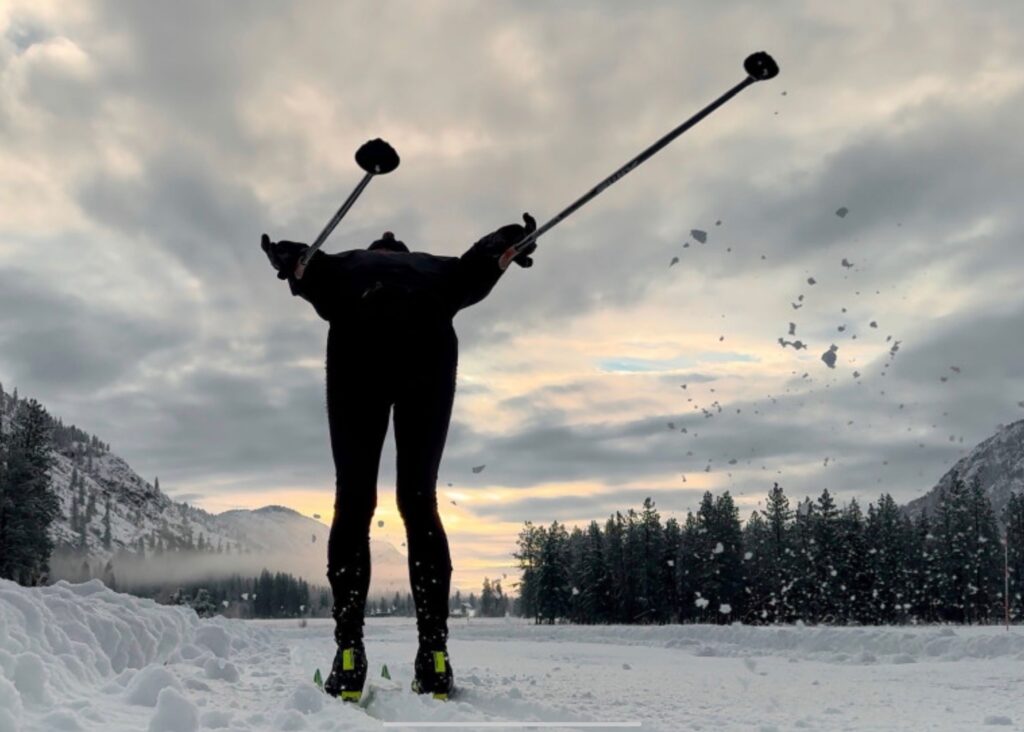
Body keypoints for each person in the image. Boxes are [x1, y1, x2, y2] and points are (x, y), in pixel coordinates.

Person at [261, 214, 537, 701]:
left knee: (353, 503)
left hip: (357, 353)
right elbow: (478, 267)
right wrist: (504, 243)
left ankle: (349, 654)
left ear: (383, 252)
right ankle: (434, 655)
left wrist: (289, 256)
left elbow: (306, 267)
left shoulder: (347, 264)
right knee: (417, 501)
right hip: (426, 353)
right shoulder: (434, 269)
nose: (387, 243)